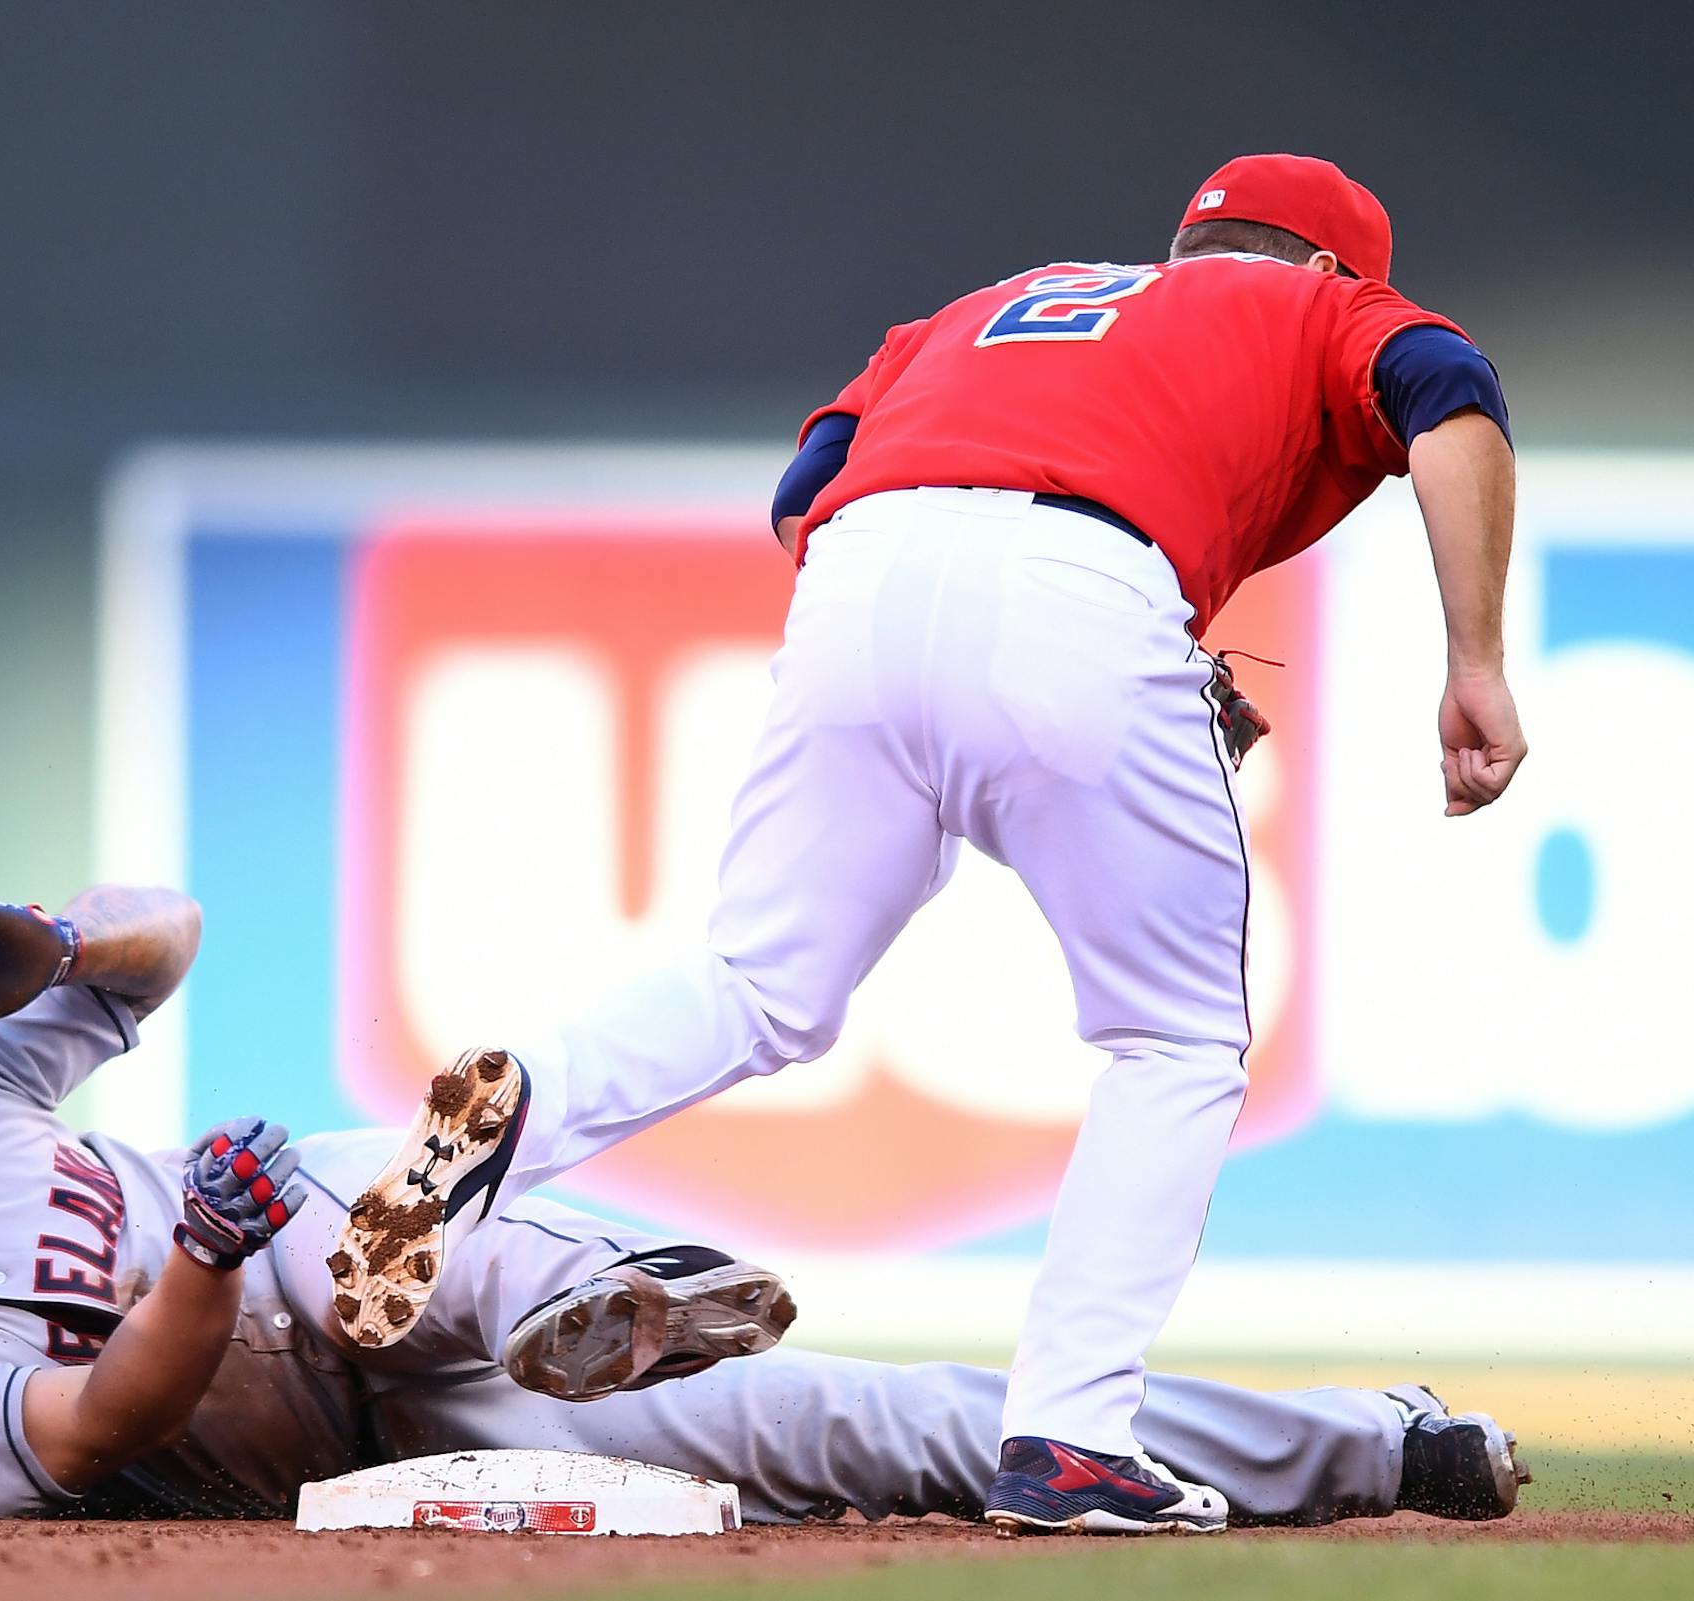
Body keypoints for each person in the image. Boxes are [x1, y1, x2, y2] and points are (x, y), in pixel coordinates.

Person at [332, 152, 1525, 1536]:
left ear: (1187, 243)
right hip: (1085, 577)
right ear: (1332, 265)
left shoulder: (1000, 300)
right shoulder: (1321, 311)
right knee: (1177, 1039)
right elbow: (1452, 391)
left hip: (861, 572)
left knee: (758, 984)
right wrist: (1478, 660)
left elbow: (811, 479)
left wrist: (955, 642)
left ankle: (512, 1114)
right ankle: (1070, 1437)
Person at [0, 886, 1524, 1527]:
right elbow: (109, 1416)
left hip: (309, 1235)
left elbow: (163, 937)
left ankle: (1385, 1442)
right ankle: (586, 1292)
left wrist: (44, 941)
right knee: (897, 1428)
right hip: (339, 1426)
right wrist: (191, 1253)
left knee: (354, 1222)